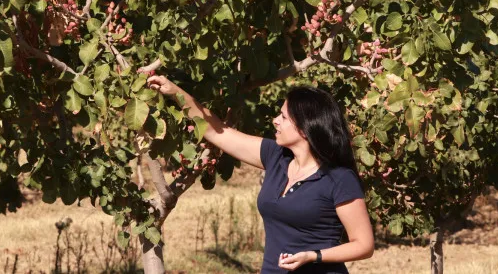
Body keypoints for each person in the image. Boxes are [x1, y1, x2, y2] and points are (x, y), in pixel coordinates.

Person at [147, 75, 375, 273]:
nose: (275, 120)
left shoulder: (338, 178)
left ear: (306, 128)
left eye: (284, 117)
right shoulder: (276, 156)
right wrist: (175, 93)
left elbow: (364, 244)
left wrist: (314, 255)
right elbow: (217, 132)